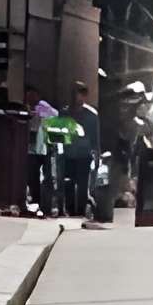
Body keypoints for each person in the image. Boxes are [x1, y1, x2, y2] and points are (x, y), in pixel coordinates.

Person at [61, 79, 100, 216]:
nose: (74, 97)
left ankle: (81, 211)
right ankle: (70, 210)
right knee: (68, 182)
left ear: (84, 96)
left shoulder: (91, 115)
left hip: (84, 154)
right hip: (68, 153)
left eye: (77, 94)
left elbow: (95, 138)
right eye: (72, 93)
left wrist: (96, 155)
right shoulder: (64, 113)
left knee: (83, 184)